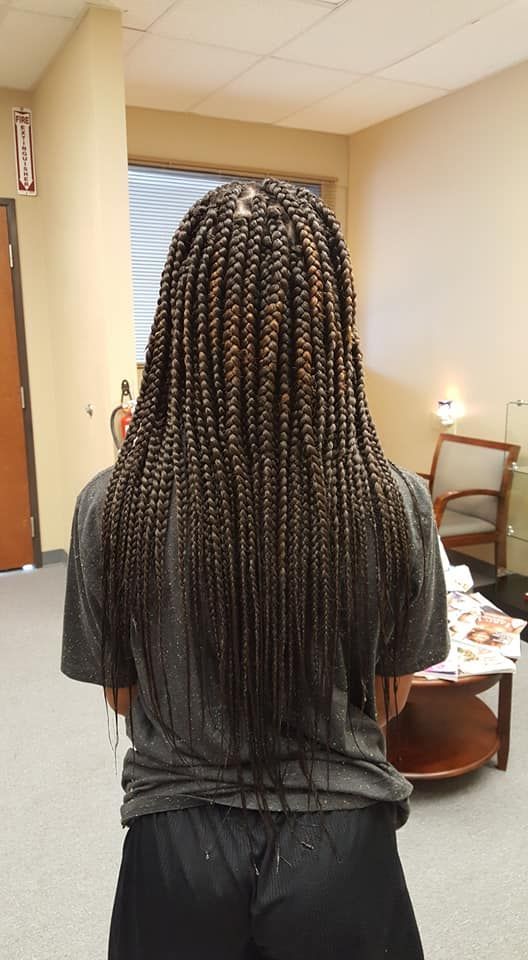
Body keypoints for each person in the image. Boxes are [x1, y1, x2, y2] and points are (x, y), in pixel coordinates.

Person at [61, 179, 449, 960]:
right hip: (342, 853)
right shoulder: (397, 501)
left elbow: (121, 688)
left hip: (175, 853)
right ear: (332, 326)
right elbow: (389, 694)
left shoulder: (113, 507)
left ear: (178, 325)